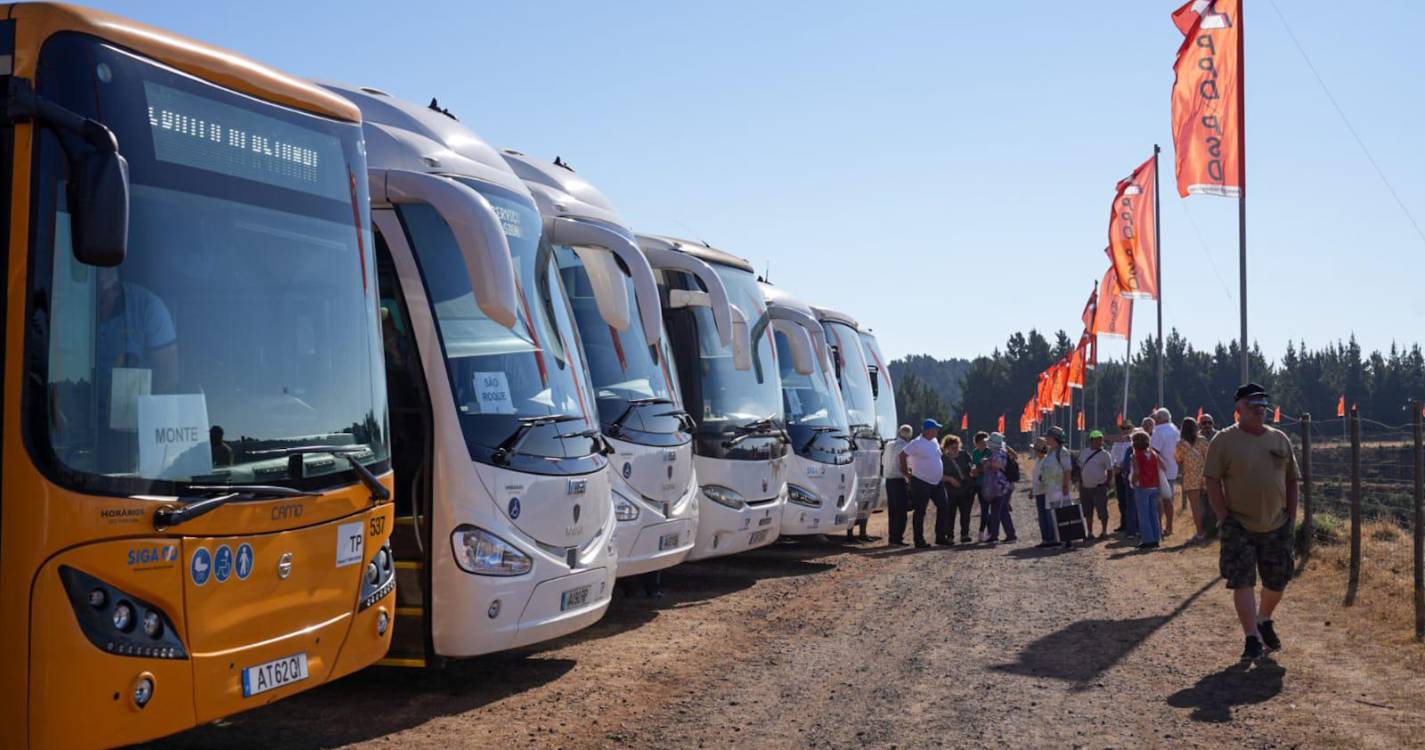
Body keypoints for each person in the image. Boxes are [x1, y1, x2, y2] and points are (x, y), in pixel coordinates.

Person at [1204, 383, 1300, 661]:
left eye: (1263, 405)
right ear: (1239, 410)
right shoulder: (1223, 441)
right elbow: (1212, 480)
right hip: (1239, 525)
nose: (1260, 410)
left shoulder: (1279, 439)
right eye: (1253, 405)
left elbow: (1293, 480)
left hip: (1277, 523)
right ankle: (1251, 638)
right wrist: (1224, 517)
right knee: (1242, 580)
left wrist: (1292, 517)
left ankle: (1263, 618)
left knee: (1278, 580)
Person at [898, 419, 946, 549]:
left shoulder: (934, 441)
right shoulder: (917, 443)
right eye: (935, 428)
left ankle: (940, 537)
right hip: (921, 481)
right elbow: (902, 455)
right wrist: (906, 472)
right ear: (927, 430)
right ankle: (919, 540)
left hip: (936, 482)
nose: (937, 431)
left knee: (944, 506)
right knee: (920, 511)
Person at [1035, 428, 1073, 548]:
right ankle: (1058, 539)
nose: (1046, 439)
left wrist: (1065, 485)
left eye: (1048, 437)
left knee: (1062, 514)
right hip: (1050, 490)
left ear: (1054, 438)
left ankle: (1066, 540)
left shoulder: (1062, 452)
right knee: (1054, 515)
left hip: (1059, 489)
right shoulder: (1051, 452)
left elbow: (1067, 470)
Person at [1128, 429, 1165, 549]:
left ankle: (1147, 539)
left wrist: (1133, 482)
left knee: (1143, 515)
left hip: (1143, 485)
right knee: (1153, 513)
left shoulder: (1136, 455)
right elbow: (1163, 466)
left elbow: (1137, 472)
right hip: (1154, 485)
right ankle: (1156, 538)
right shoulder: (1154, 453)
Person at [1176, 417, 1210, 543]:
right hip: (1205, 476)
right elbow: (1209, 456)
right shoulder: (1202, 440)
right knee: (1207, 505)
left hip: (1190, 477)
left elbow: (1178, 459)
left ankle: (1200, 532)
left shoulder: (1181, 444)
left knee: (1195, 507)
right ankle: (1210, 530)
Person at [1078, 430, 1115, 539]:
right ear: (1091, 440)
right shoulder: (1084, 452)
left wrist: (1107, 483)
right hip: (1085, 487)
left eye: (1100, 439)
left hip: (1099, 487)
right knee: (1087, 511)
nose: (1099, 442)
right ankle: (1089, 532)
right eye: (1097, 439)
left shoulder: (1105, 455)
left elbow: (1109, 470)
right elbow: (1080, 467)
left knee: (1102, 510)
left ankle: (1104, 531)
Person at [1150, 408, 1181, 536]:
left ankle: (1158, 526)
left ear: (1159, 419)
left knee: (1158, 501)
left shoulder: (1158, 431)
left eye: (1156, 419)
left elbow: (1154, 452)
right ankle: (1169, 527)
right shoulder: (1174, 429)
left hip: (1160, 469)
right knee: (1169, 500)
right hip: (1173, 468)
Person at [882, 424, 914, 546]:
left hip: (889, 480)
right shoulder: (906, 447)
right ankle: (898, 538)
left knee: (892, 510)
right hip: (899, 480)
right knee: (901, 511)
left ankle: (892, 537)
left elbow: (883, 461)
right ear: (909, 435)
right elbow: (907, 466)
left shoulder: (889, 445)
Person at [983, 432, 1017, 544]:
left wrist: (988, 463)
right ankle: (1010, 535)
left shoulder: (997, 453)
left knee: (996, 511)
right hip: (1002, 485)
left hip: (999, 486)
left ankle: (994, 536)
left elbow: (997, 465)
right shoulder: (1002, 452)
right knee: (1002, 511)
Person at [1110, 430, 1138, 537]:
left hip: (1128, 474)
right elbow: (1113, 457)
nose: (1125, 430)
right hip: (1119, 473)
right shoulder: (1117, 444)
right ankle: (1124, 523)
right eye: (1123, 428)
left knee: (1129, 501)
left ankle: (1132, 525)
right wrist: (1114, 467)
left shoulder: (1132, 445)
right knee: (1121, 499)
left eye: (1127, 428)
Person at [968, 431, 992, 541]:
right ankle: (985, 531)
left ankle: (985, 531)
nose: (984, 444)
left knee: (986, 508)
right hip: (978, 483)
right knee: (984, 508)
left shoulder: (989, 452)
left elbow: (988, 467)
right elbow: (975, 464)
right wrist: (974, 470)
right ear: (976, 443)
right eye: (982, 442)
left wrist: (978, 470)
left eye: (986, 442)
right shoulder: (975, 452)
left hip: (988, 483)